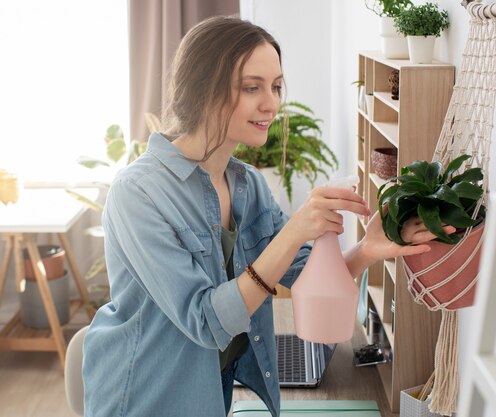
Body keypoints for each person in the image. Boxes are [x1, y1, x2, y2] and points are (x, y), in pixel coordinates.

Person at [82, 16, 452, 417]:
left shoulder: (249, 186)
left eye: (275, 87)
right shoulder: (138, 194)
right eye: (251, 87)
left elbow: (308, 278)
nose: (272, 103)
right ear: (202, 89)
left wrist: (366, 250)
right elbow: (206, 322)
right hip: (141, 398)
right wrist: (295, 230)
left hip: (209, 398)